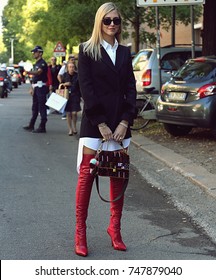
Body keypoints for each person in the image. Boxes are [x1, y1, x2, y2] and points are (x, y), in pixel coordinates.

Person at [75, 2, 137, 257]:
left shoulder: (124, 52)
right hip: (94, 124)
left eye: (116, 21)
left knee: (118, 176)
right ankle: (80, 232)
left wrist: (125, 121)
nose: (112, 24)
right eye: (107, 20)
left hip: (120, 126)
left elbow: (131, 89)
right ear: (99, 22)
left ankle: (115, 229)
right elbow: (86, 89)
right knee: (87, 177)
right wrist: (100, 122)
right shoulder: (87, 50)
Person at [23, 46, 48, 133]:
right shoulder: (36, 63)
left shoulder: (42, 63)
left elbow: (38, 72)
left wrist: (28, 72)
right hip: (36, 86)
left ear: (40, 53)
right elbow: (34, 77)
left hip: (41, 87)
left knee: (42, 107)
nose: (33, 54)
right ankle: (31, 124)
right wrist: (32, 87)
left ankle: (42, 126)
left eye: (35, 52)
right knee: (35, 107)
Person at [61, 62, 81, 136]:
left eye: (73, 67)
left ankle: (75, 127)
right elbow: (61, 84)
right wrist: (65, 84)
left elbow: (80, 86)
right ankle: (70, 129)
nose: (71, 68)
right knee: (68, 113)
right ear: (67, 68)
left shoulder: (77, 75)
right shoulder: (65, 75)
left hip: (75, 95)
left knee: (74, 113)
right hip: (67, 96)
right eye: (70, 67)